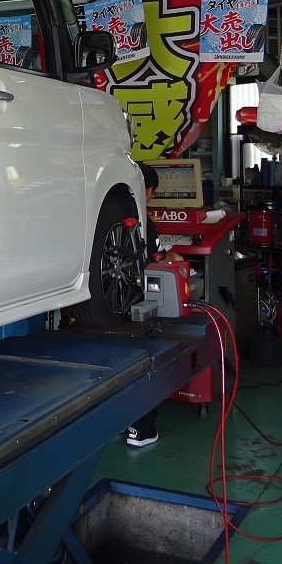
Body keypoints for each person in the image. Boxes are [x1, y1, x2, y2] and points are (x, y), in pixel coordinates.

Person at [127, 161, 172, 448]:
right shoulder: (144, 220)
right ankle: (142, 429)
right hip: (135, 304)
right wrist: (173, 258)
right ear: (148, 191)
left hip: (102, 306)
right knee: (147, 362)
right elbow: (155, 260)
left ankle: (122, 423)